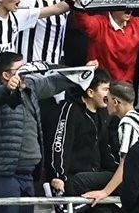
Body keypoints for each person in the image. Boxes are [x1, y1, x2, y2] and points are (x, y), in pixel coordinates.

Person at [0, 51, 76, 213]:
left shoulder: (28, 86)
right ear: (6, 75)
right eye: (21, 70)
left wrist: (81, 73)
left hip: (28, 172)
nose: (26, 74)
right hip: (2, 173)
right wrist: (7, 89)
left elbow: (51, 82)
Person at [48, 69, 114, 198]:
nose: (108, 94)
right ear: (90, 92)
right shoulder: (70, 109)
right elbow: (60, 144)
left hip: (95, 177)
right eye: (105, 89)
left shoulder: (104, 113)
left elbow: (106, 149)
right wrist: (58, 176)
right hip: (74, 178)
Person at [82, 81, 139, 202]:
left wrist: (105, 191)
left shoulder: (128, 123)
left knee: (79, 181)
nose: (105, 104)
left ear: (115, 102)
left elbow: (127, 163)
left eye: (106, 100)